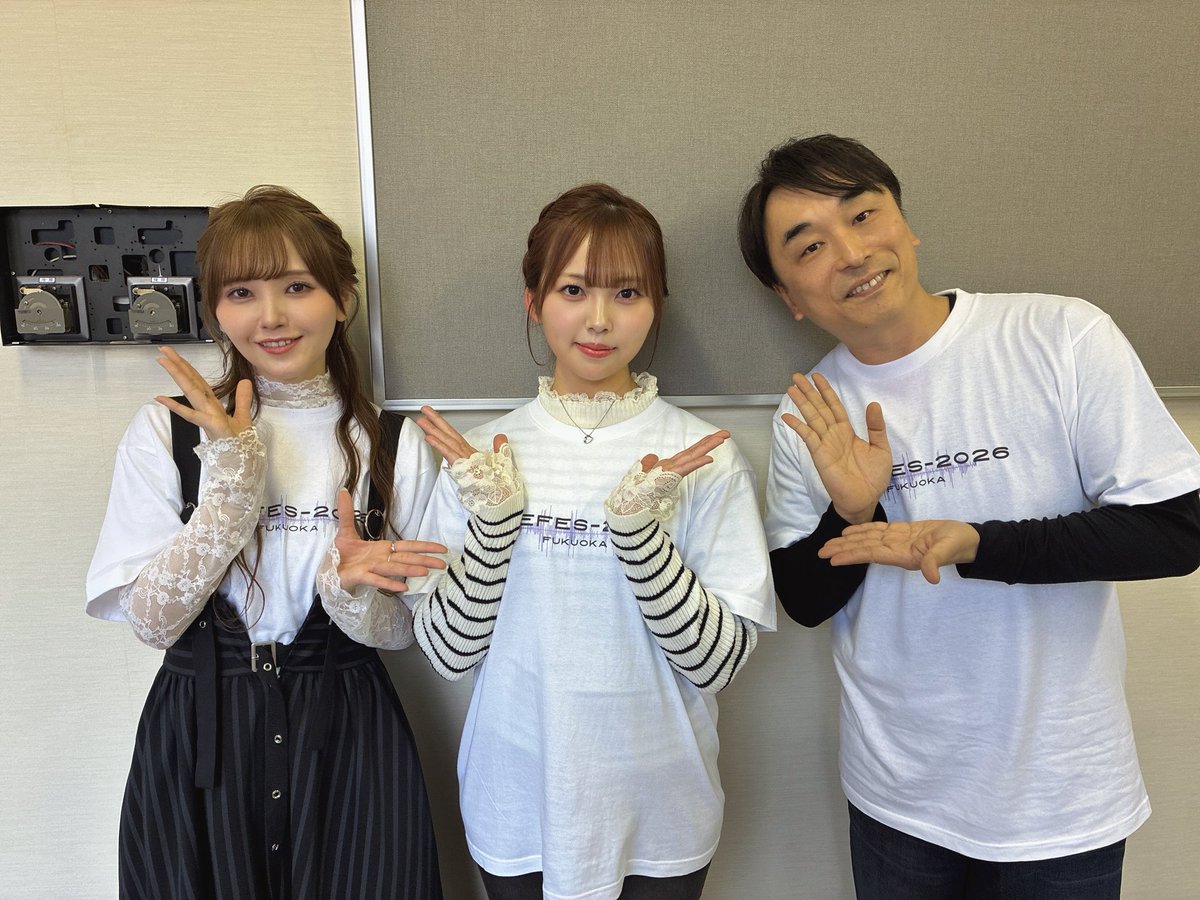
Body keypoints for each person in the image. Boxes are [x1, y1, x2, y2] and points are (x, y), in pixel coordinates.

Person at [738, 133, 1200, 897]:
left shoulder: (1062, 336)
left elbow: (1177, 531)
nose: (850, 253)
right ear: (789, 296)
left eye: (863, 214)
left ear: (904, 222)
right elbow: (806, 600)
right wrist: (853, 510)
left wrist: (978, 544)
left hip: (1062, 795)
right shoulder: (812, 411)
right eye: (809, 246)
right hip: (897, 796)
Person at [409, 183, 776, 899]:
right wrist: (494, 527)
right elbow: (448, 654)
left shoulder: (702, 456)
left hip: (661, 804)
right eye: (573, 289)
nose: (600, 319)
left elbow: (717, 663)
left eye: (628, 292)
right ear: (534, 301)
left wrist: (640, 538)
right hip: (514, 795)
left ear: (656, 305)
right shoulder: (479, 456)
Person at [86, 186, 446, 899]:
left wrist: (346, 593)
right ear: (216, 309)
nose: (271, 316)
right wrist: (228, 491)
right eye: (242, 292)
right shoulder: (168, 431)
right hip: (200, 731)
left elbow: (408, 632)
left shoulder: (391, 443)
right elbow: (153, 624)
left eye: (298, 287)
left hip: (350, 730)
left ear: (343, 298)